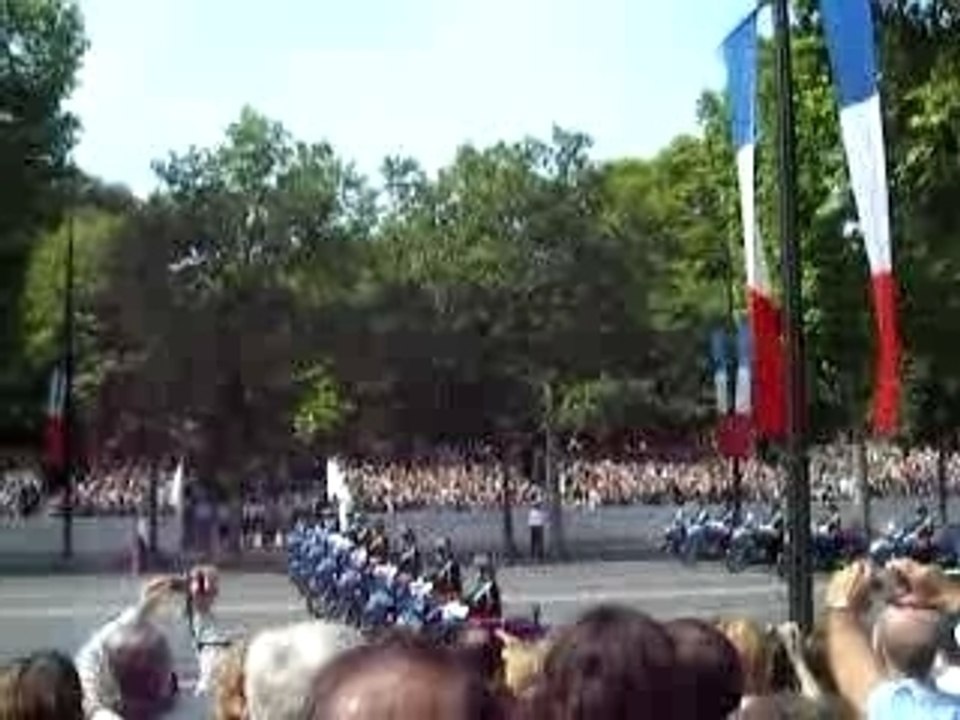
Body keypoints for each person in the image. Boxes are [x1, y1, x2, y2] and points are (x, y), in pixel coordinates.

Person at [465, 555, 502, 620]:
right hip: (481, 612)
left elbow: (491, 603)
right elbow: (473, 595)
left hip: (489, 616)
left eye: (481, 573)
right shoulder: (481, 585)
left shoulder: (491, 586)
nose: (478, 576)